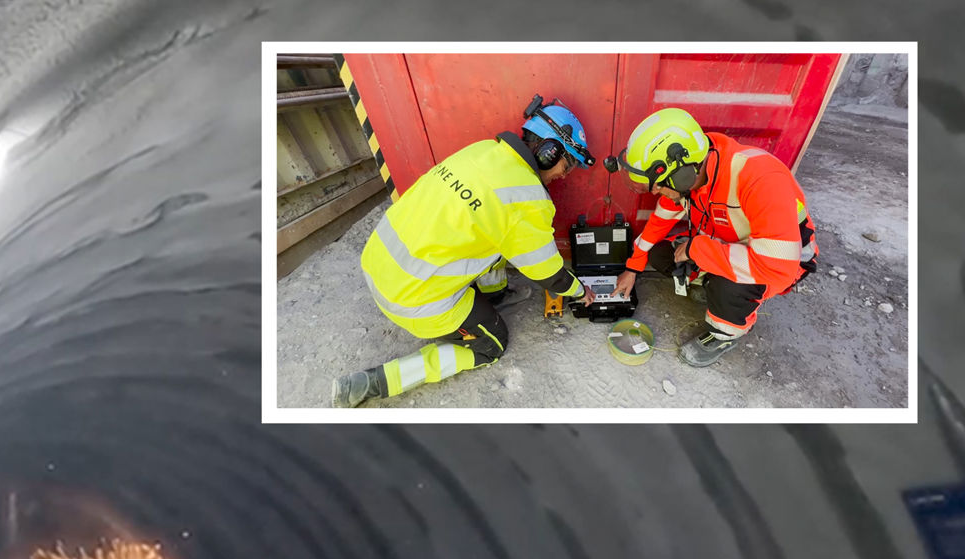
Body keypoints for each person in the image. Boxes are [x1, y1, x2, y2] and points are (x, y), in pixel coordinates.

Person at [332, 97, 599, 408]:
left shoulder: (481, 151)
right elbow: (546, 271)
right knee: (492, 345)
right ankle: (376, 382)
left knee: (494, 234)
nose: (563, 175)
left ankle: (495, 294)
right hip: (412, 298)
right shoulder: (527, 199)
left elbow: (493, 230)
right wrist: (579, 291)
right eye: (566, 165)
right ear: (549, 151)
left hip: (378, 264)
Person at [607, 107, 819, 367]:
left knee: (727, 286)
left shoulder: (760, 178)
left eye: (659, 185)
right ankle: (709, 284)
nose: (658, 193)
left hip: (779, 261)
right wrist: (632, 268)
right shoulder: (690, 177)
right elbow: (657, 225)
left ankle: (726, 332)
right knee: (661, 252)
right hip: (724, 243)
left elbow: (776, 267)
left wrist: (697, 250)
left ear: (683, 174)